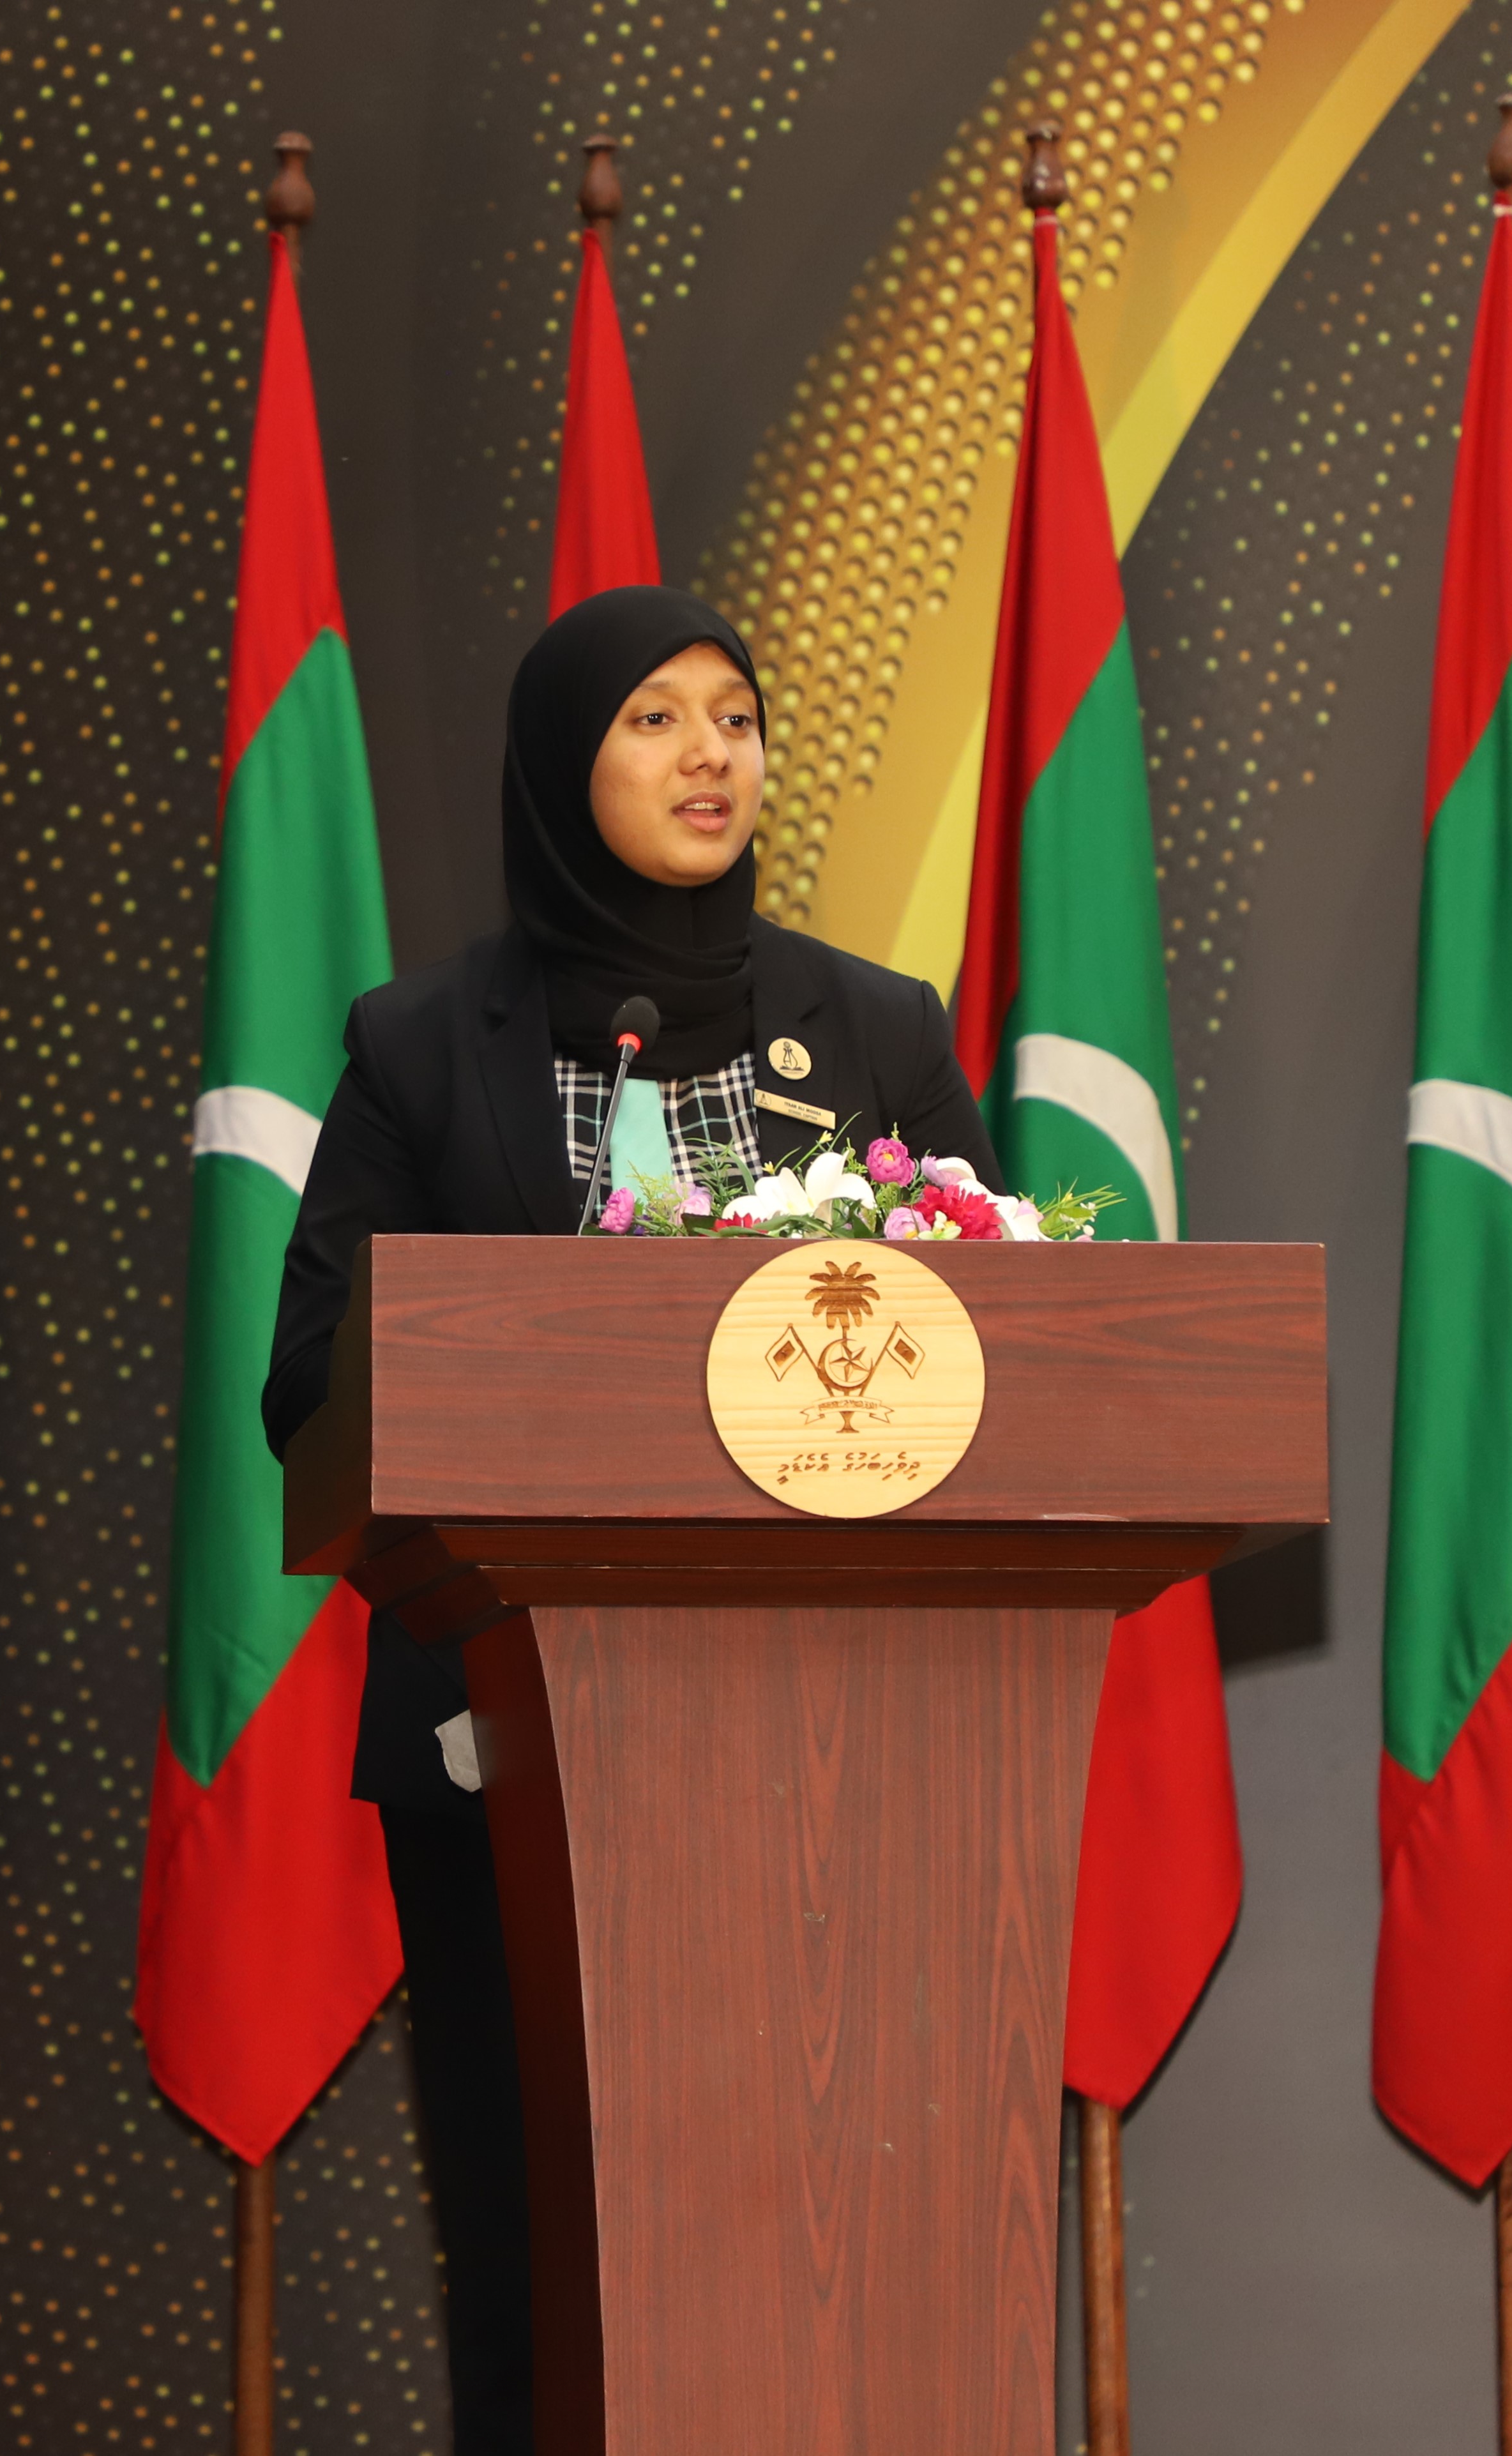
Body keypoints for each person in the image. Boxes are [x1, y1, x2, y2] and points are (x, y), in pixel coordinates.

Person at [258, 584, 998, 2452]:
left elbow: (1004, 1353)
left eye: (734, 716)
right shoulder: (427, 1043)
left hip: (849, 1757)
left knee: (842, 2253)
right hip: (514, 1746)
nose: (708, 756)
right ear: (558, 765)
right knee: (543, 2251)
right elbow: (313, 1384)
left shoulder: (877, 1028)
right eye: (654, 719)